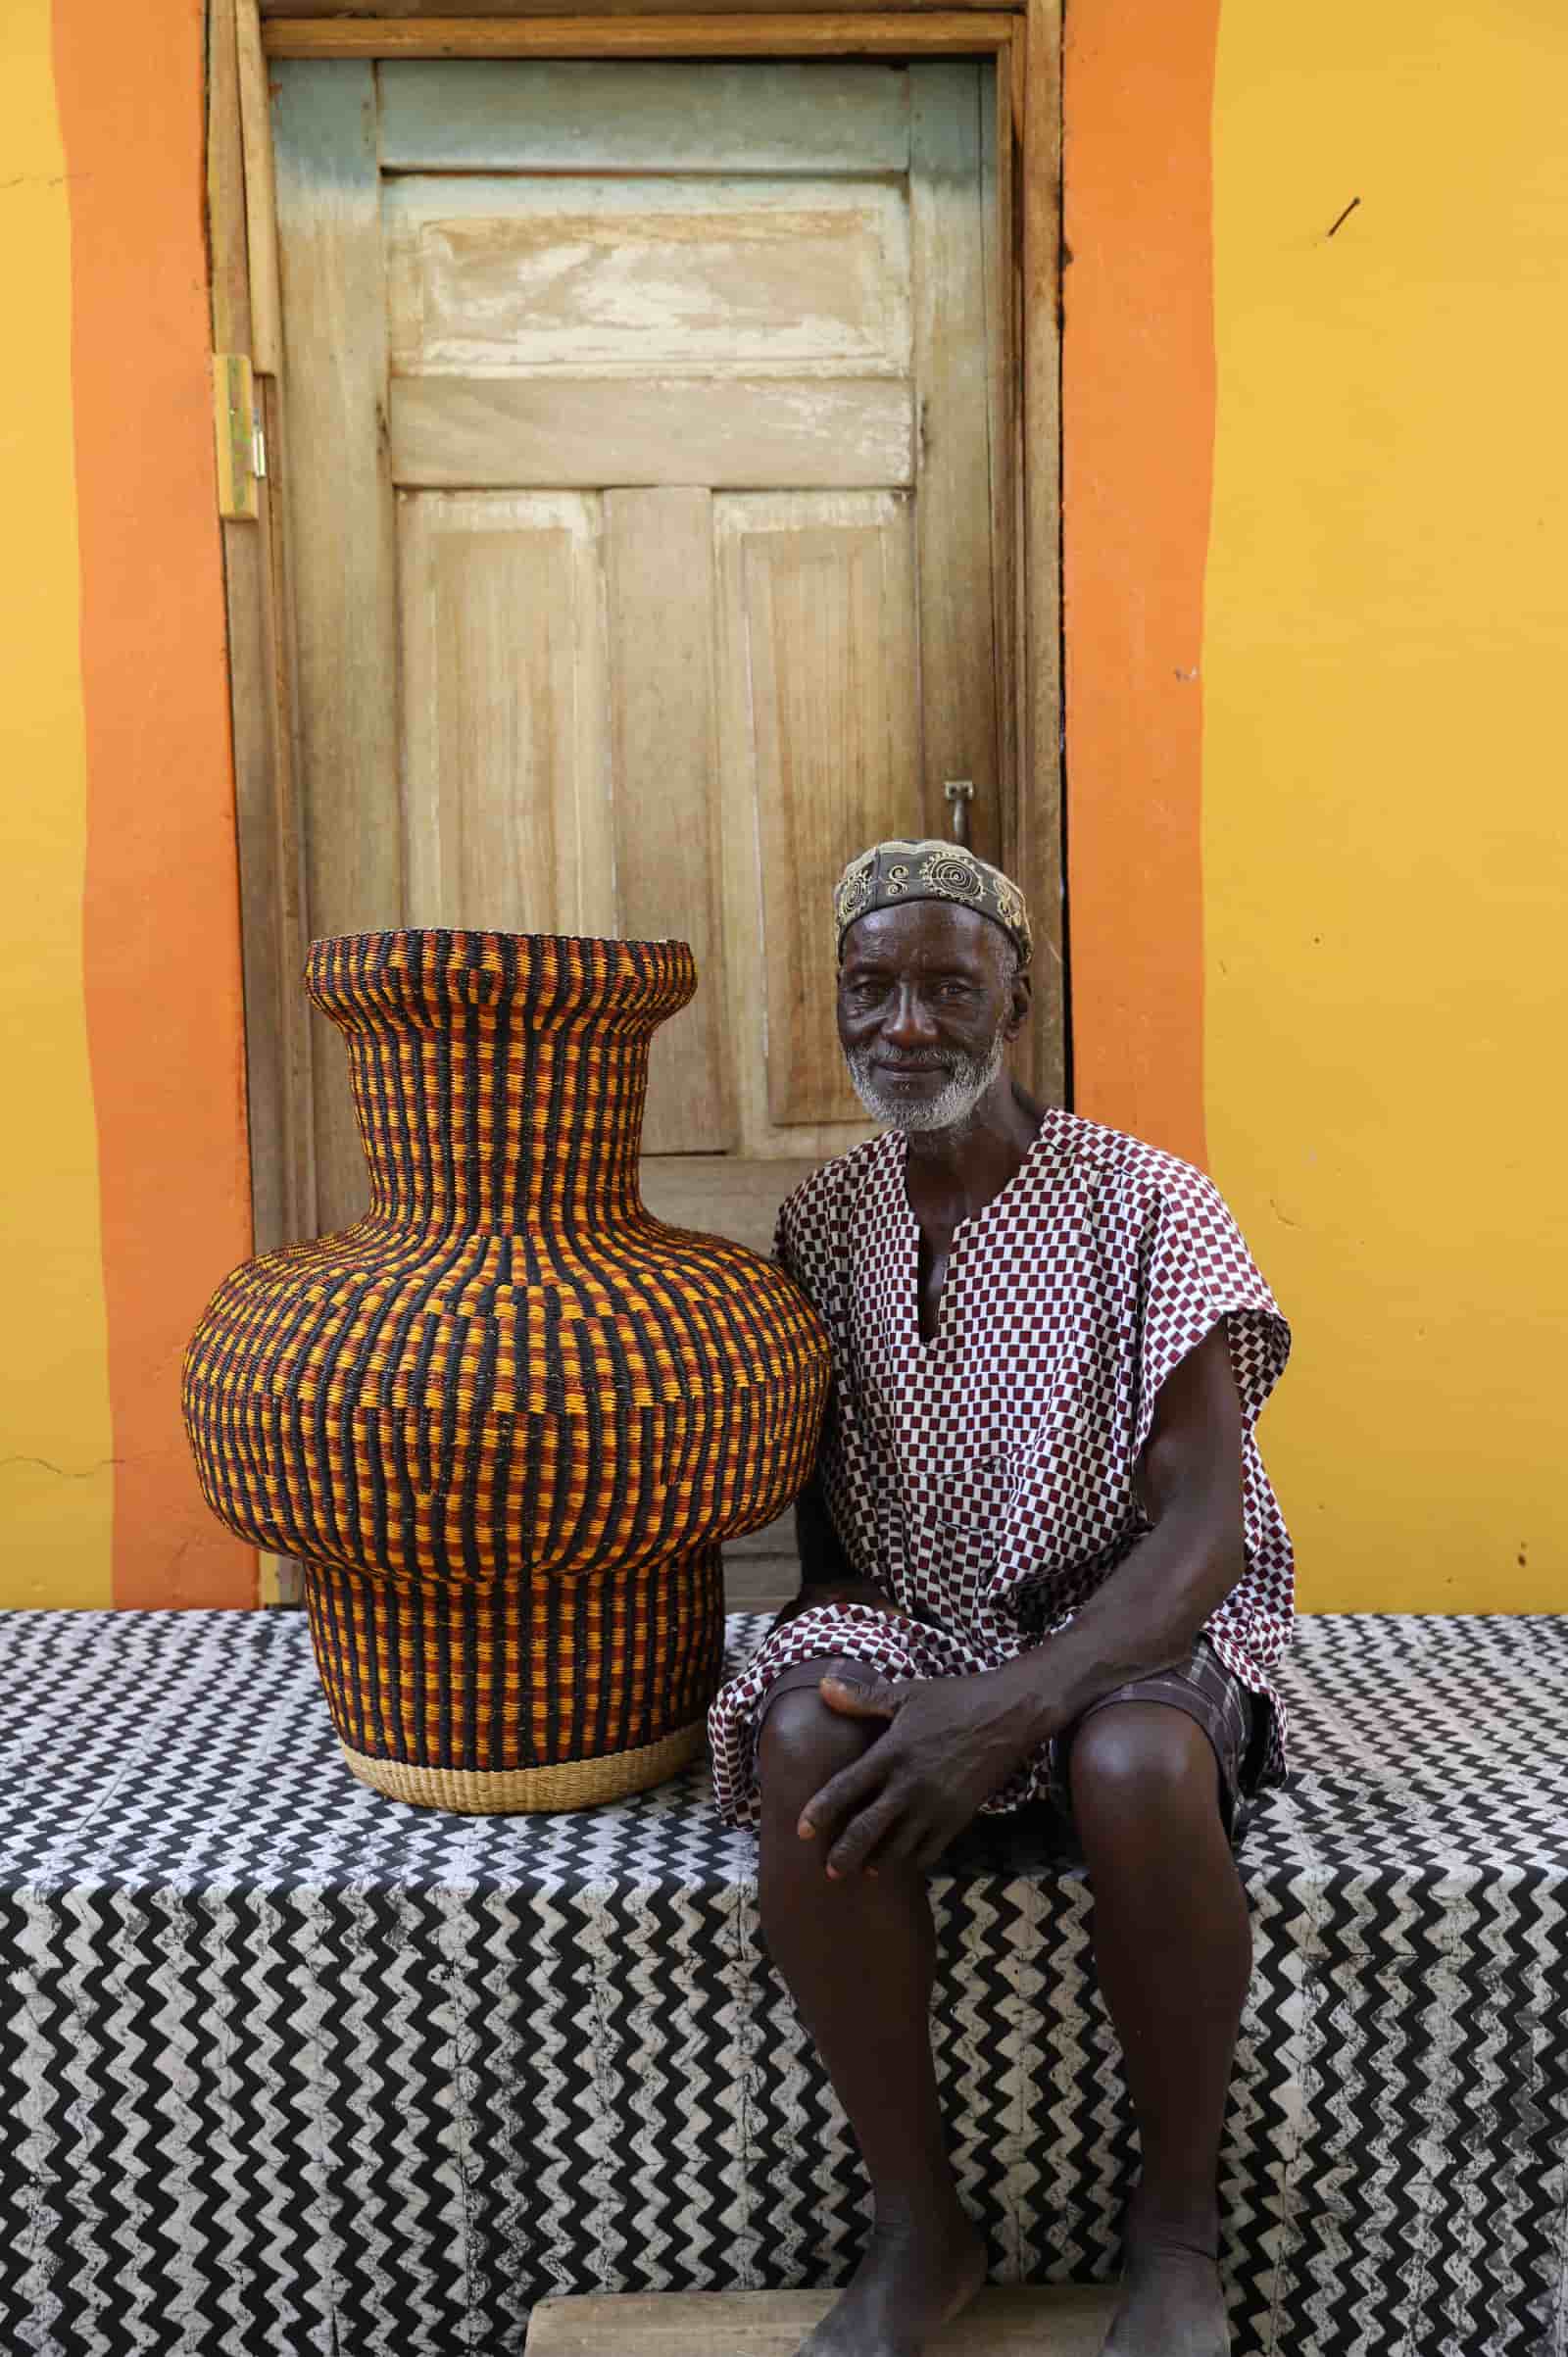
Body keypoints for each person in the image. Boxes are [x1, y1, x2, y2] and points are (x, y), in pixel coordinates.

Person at [707, 840, 1293, 2357]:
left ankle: (1175, 2229)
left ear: (1016, 999)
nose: (906, 1024)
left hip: (1129, 1609)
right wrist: (888, 1676)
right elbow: (831, 1541)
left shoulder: (1149, 1201)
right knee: (803, 1741)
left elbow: (1206, 1537)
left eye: (948, 987)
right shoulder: (823, 1223)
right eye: (872, 986)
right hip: (917, 1606)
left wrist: (1007, 1706)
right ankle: (922, 2225)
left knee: (1136, 1761)